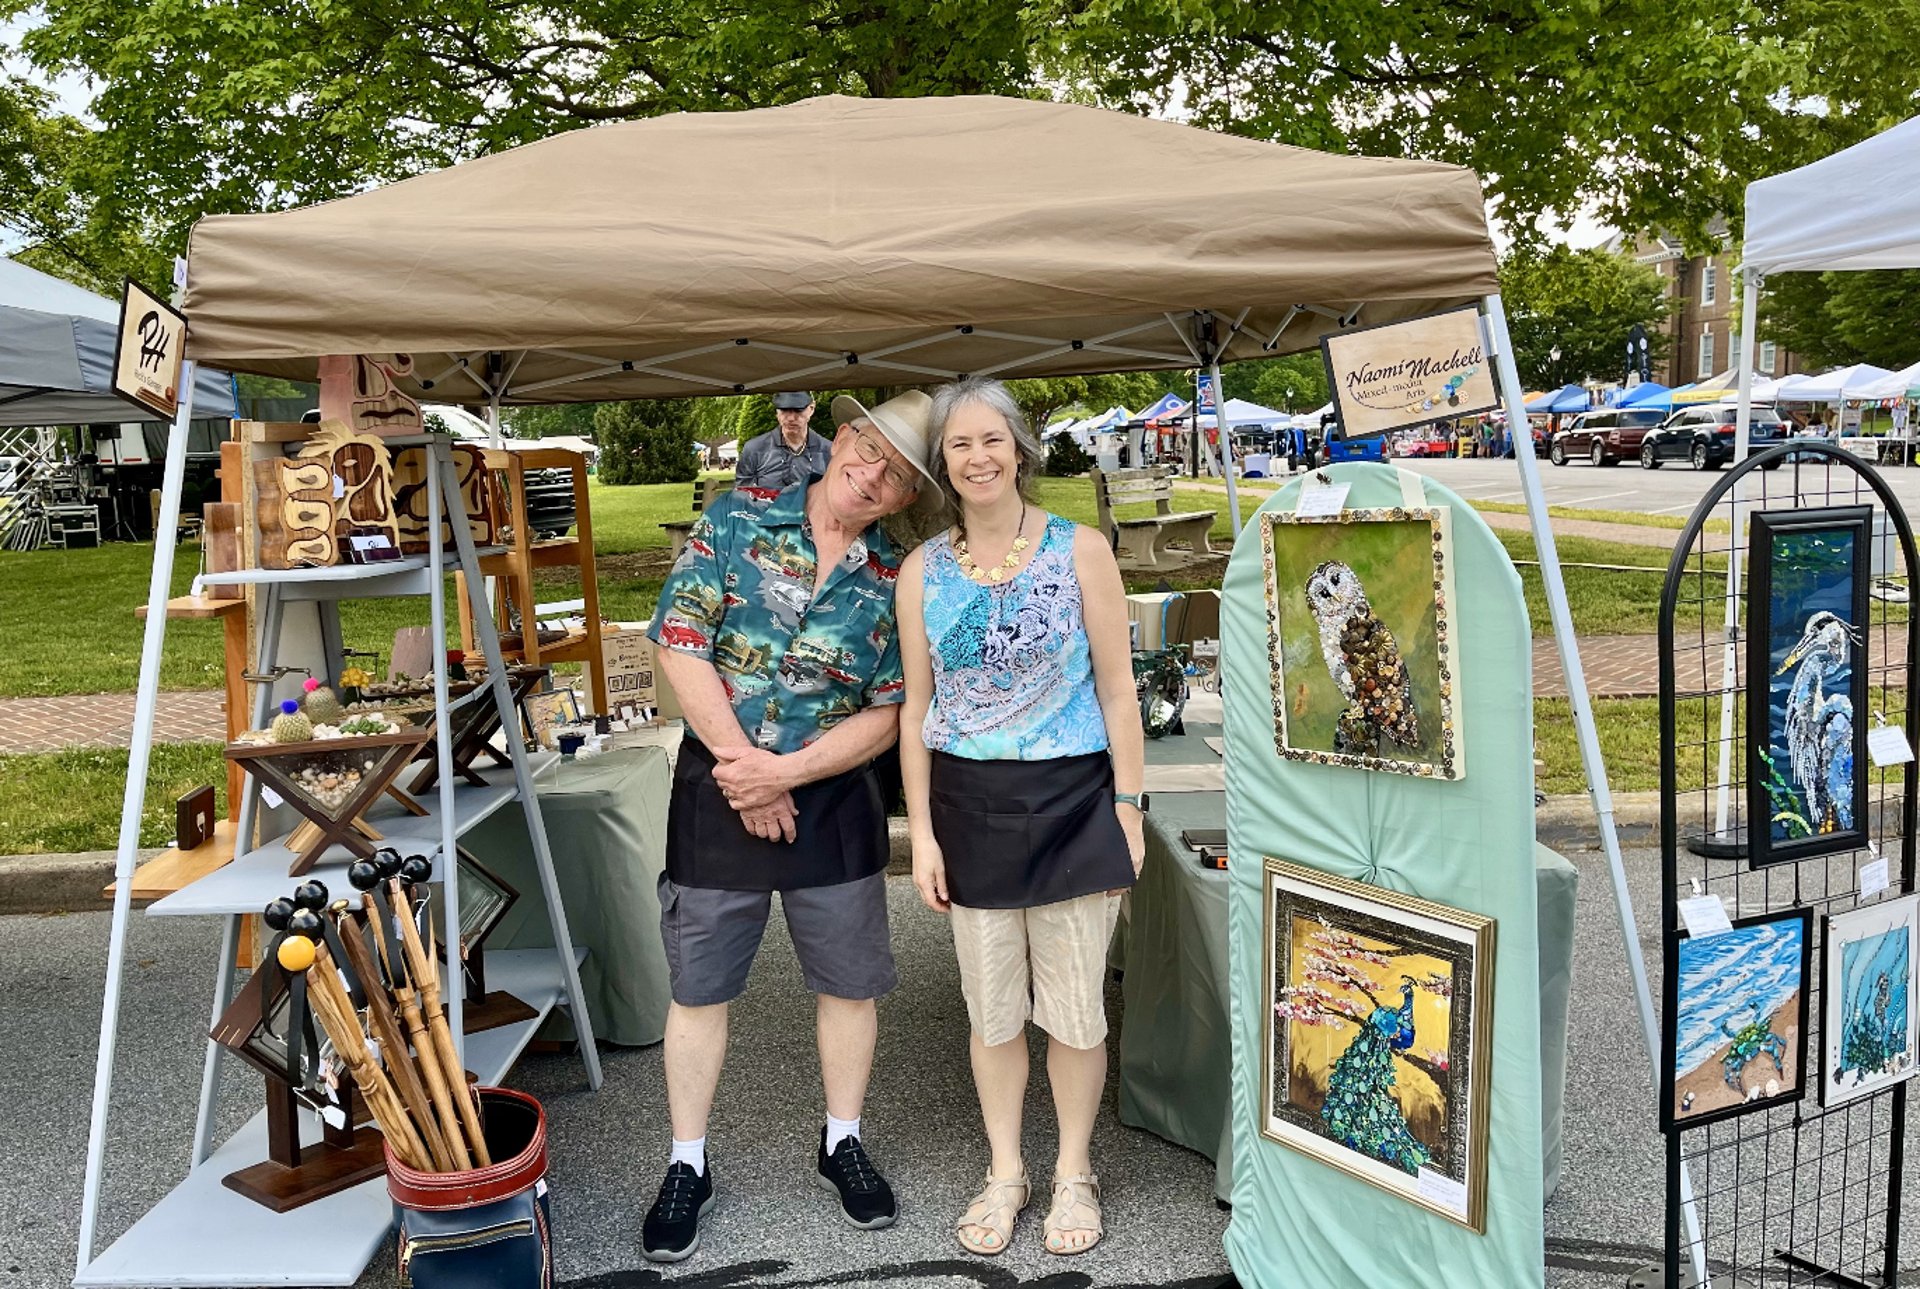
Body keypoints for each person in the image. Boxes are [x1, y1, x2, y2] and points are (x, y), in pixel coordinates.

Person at [639, 390, 937, 1263]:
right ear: (842, 437)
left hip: (834, 794)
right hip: (719, 786)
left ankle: (841, 1139)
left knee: (848, 983)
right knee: (699, 987)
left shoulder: (898, 576)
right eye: (868, 449)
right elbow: (679, 642)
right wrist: (746, 771)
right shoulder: (736, 517)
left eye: (897, 475)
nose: (871, 475)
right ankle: (686, 1160)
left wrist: (790, 773)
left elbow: (891, 707)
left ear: (909, 497)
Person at [897, 377, 1146, 1259]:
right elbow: (914, 709)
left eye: (991, 440)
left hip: (1077, 800)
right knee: (993, 1012)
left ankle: (1073, 1169)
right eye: (959, 445)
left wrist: (1129, 802)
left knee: (1077, 1012)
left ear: (1020, 449)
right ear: (943, 464)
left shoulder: (1081, 551)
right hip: (970, 809)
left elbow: (1119, 690)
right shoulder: (920, 572)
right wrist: (922, 831)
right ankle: (1007, 1169)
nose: (977, 458)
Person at [735, 390, 833, 490]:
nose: (791, 418)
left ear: (811, 408)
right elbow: (742, 495)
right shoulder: (754, 449)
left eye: (798, 410)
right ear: (777, 411)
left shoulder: (829, 450)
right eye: (784, 410)